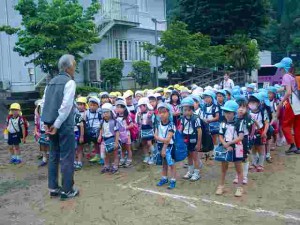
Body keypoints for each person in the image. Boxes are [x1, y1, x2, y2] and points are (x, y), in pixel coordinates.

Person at [41, 54, 78, 200]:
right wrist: (57, 124)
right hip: (63, 124)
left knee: (54, 155)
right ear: (68, 67)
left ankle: (53, 187)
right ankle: (67, 190)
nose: (74, 68)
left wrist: (46, 123)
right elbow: (66, 106)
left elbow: (44, 103)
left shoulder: (50, 82)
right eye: (74, 65)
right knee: (67, 157)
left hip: (50, 123)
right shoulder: (69, 82)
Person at [215, 100, 244, 197]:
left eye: (229, 112)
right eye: (225, 112)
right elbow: (220, 135)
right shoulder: (223, 123)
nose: (227, 114)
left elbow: (240, 137)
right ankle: (221, 185)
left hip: (237, 147)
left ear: (234, 113)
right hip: (225, 147)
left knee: (238, 168)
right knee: (223, 168)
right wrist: (224, 144)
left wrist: (229, 143)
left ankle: (239, 187)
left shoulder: (239, 123)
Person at [275, 57, 300, 154]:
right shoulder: (293, 76)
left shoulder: (286, 76)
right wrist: (275, 89)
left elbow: (288, 92)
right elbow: (289, 89)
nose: (280, 69)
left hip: (292, 103)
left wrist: (281, 102)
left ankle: (292, 145)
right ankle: (298, 147)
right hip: (299, 102)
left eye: (281, 67)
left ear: (284, 67)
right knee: (297, 126)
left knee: (285, 125)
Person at [179, 97, 202, 181]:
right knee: (189, 156)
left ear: (192, 109)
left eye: (189, 110)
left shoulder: (196, 118)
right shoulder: (182, 118)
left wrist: (198, 143)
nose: (187, 112)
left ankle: (196, 172)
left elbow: (199, 131)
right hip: (186, 138)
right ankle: (190, 171)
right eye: (185, 110)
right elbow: (181, 128)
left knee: (195, 156)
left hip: (194, 138)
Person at [155, 103, 176, 189]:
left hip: (169, 147)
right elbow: (155, 136)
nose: (162, 114)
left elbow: (168, 139)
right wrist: (162, 139)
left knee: (171, 164)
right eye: (160, 112)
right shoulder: (158, 124)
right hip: (160, 146)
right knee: (164, 163)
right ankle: (164, 178)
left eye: (164, 112)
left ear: (169, 113)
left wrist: (164, 148)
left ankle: (173, 180)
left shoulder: (171, 125)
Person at [248, 94, 269, 172]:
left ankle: (260, 164)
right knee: (253, 148)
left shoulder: (263, 111)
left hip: (260, 131)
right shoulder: (248, 111)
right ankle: (254, 163)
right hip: (251, 132)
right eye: (251, 102)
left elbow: (266, 122)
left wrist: (264, 132)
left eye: (254, 102)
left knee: (261, 148)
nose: (252, 104)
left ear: (259, 103)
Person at [98, 103, 120, 174]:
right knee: (105, 153)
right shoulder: (102, 122)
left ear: (111, 112)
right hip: (105, 139)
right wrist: (100, 136)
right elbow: (101, 129)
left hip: (112, 139)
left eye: (107, 112)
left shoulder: (114, 122)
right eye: (104, 112)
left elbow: (117, 132)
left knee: (115, 153)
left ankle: (115, 166)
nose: (105, 114)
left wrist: (116, 142)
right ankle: (106, 165)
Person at [136, 97, 155, 164]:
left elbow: (152, 121)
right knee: (144, 143)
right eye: (139, 107)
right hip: (142, 129)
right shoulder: (139, 114)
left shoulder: (150, 113)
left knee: (149, 143)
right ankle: (146, 156)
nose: (140, 108)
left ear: (146, 105)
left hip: (149, 128)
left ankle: (153, 156)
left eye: (141, 106)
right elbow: (138, 122)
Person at [115, 99, 134, 168]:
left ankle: (129, 160)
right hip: (119, 135)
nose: (119, 109)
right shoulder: (116, 117)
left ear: (124, 108)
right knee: (122, 148)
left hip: (127, 135)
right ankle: (122, 159)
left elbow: (132, 125)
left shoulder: (127, 117)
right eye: (117, 107)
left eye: (121, 107)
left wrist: (125, 128)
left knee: (128, 148)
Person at [34, 100, 49, 167]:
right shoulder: (37, 117)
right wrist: (36, 131)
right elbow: (36, 124)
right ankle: (44, 158)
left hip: (48, 132)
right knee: (42, 144)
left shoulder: (49, 115)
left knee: (50, 145)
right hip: (41, 132)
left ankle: (51, 158)